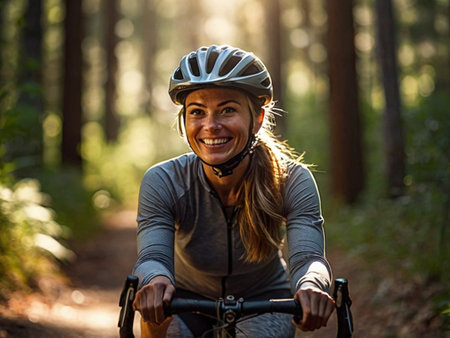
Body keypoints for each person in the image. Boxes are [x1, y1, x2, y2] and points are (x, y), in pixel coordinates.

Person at [132, 45, 335, 338]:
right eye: (197, 112)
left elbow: (308, 258)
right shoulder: (164, 180)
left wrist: (312, 285)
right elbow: (152, 256)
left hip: (265, 299)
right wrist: (155, 281)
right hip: (182, 299)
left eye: (227, 110)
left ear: (258, 118)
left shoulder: (291, 179)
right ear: (184, 121)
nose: (211, 126)